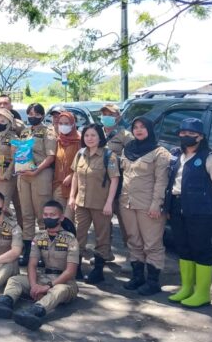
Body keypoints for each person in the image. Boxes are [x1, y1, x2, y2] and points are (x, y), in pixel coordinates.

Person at [0, 200, 79, 331]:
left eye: (52, 215)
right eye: (45, 215)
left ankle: (35, 311)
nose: (48, 218)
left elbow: (70, 271)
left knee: (59, 290)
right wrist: (34, 286)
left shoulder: (71, 239)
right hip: (43, 278)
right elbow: (32, 264)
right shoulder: (38, 238)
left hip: (65, 282)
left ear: (61, 218)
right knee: (15, 280)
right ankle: (5, 303)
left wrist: (46, 287)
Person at [164, 118, 212, 308]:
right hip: (177, 206)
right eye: (183, 133)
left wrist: (200, 197)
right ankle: (186, 288)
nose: (186, 136)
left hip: (200, 210)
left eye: (191, 134)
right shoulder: (177, 155)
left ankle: (202, 293)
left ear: (200, 137)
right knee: (183, 247)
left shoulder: (211, 158)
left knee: (201, 248)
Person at [119, 117, 171, 295]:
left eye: (143, 127)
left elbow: (161, 181)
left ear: (149, 129)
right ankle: (138, 276)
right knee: (134, 240)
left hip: (149, 205)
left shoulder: (159, 153)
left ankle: (153, 281)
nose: (139, 130)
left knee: (152, 244)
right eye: (136, 127)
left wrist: (157, 204)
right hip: (127, 203)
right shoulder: (128, 150)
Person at [69, 124, 119, 283]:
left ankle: (98, 270)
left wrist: (109, 203)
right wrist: (72, 197)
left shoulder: (109, 156)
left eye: (93, 135)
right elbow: (75, 176)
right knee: (78, 235)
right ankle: (75, 267)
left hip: (100, 204)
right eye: (86, 135)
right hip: (81, 203)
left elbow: (114, 180)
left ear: (100, 137)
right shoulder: (80, 154)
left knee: (102, 236)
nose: (89, 138)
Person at [17, 102, 56, 266]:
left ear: (42, 115)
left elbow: (51, 156)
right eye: (30, 113)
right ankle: (28, 251)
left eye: (36, 114)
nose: (33, 116)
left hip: (41, 174)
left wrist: (36, 171)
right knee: (26, 214)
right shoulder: (25, 131)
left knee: (42, 215)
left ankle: (44, 252)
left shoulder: (48, 131)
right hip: (24, 175)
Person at [100, 103, 133, 255]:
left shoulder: (125, 135)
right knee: (103, 221)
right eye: (105, 114)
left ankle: (130, 256)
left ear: (118, 117)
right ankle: (105, 252)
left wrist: (115, 160)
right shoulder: (97, 132)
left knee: (125, 221)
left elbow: (132, 158)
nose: (107, 117)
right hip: (100, 182)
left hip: (119, 181)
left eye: (111, 115)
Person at [53, 111, 81, 215]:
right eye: (61, 123)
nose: (63, 126)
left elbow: (83, 163)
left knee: (69, 219)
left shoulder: (80, 141)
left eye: (66, 123)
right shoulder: (58, 141)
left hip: (74, 185)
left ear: (73, 124)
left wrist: (72, 175)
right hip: (58, 185)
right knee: (57, 217)